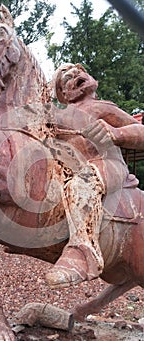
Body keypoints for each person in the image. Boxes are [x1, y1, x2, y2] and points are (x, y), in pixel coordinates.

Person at [45, 63, 144, 288]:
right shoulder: (59, 116)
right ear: (64, 95)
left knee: (83, 182)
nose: (75, 75)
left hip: (106, 164)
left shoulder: (101, 107)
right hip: (71, 170)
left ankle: (83, 251)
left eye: (78, 72)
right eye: (67, 79)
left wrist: (116, 132)